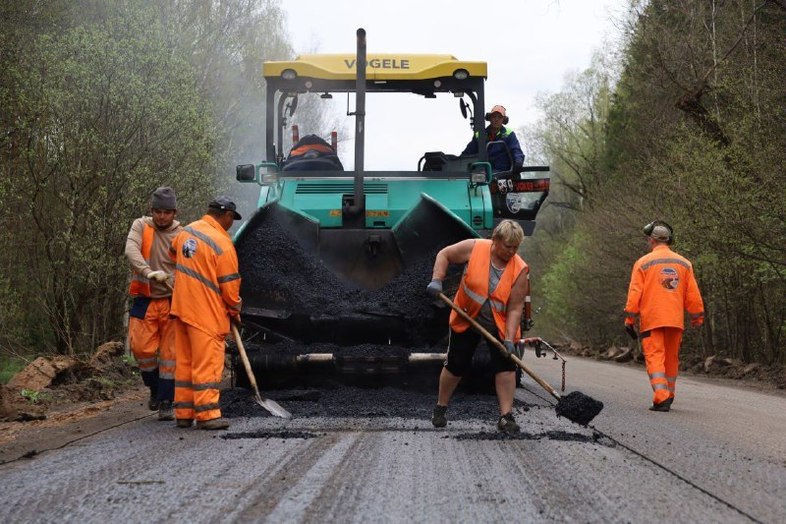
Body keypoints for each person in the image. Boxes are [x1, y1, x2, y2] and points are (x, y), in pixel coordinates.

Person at [426, 219, 531, 434]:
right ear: (495, 240)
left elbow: (514, 308)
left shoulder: (520, 269)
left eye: (515, 247)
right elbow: (444, 254)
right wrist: (437, 279)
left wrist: (510, 339)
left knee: (506, 367)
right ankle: (440, 408)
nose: (511, 252)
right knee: (456, 364)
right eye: (507, 246)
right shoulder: (475, 248)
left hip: (499, 325)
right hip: (466, 317)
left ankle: (505, 416)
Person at [169, 196, 242, 430]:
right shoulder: (222, 242)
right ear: (227, 216)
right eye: (232, 219)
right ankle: (208, 414)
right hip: (206, 313)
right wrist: (235, 309)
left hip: (181, 309)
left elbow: (174, 254)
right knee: (207, 364)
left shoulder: (185, 232)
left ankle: (183, 413)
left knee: (185, 364)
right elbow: (230, 287)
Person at [624, 221, 704, 412]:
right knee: (671, 359)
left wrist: (629, 319)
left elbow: (635, 293)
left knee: (655, 358)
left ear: (651, 240)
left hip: (652, 320)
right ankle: (669, 394)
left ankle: (661, 398)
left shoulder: (643, 263)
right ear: (670, 240)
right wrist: (697, 317)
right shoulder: (684, 263)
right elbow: (692, 294)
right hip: (675, 320)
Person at [125, 187, 182, 421]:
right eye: (157, 211)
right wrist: (148, 272)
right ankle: (155, 389)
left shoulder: (182, 235)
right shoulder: (141, 226)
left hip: (171, 301)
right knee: (141, 349)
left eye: (166, 212)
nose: (161, 216)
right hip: (145, 300)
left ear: (174, 213)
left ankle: (166, 401)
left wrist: (176, 281)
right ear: (151, 211)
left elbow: (190, 265)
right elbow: (130, 249)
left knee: (170, 355)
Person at [461, 104, 525, 174]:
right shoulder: (479, 135)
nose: (496, 119)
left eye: (499, 117)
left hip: (502, 173)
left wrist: (518, 162)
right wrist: (458, 161)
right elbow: (468, 153)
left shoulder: (509, 134)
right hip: (482, 173)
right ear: (489, 118)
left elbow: (516, 151)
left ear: (504, 120)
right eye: (494, 116)